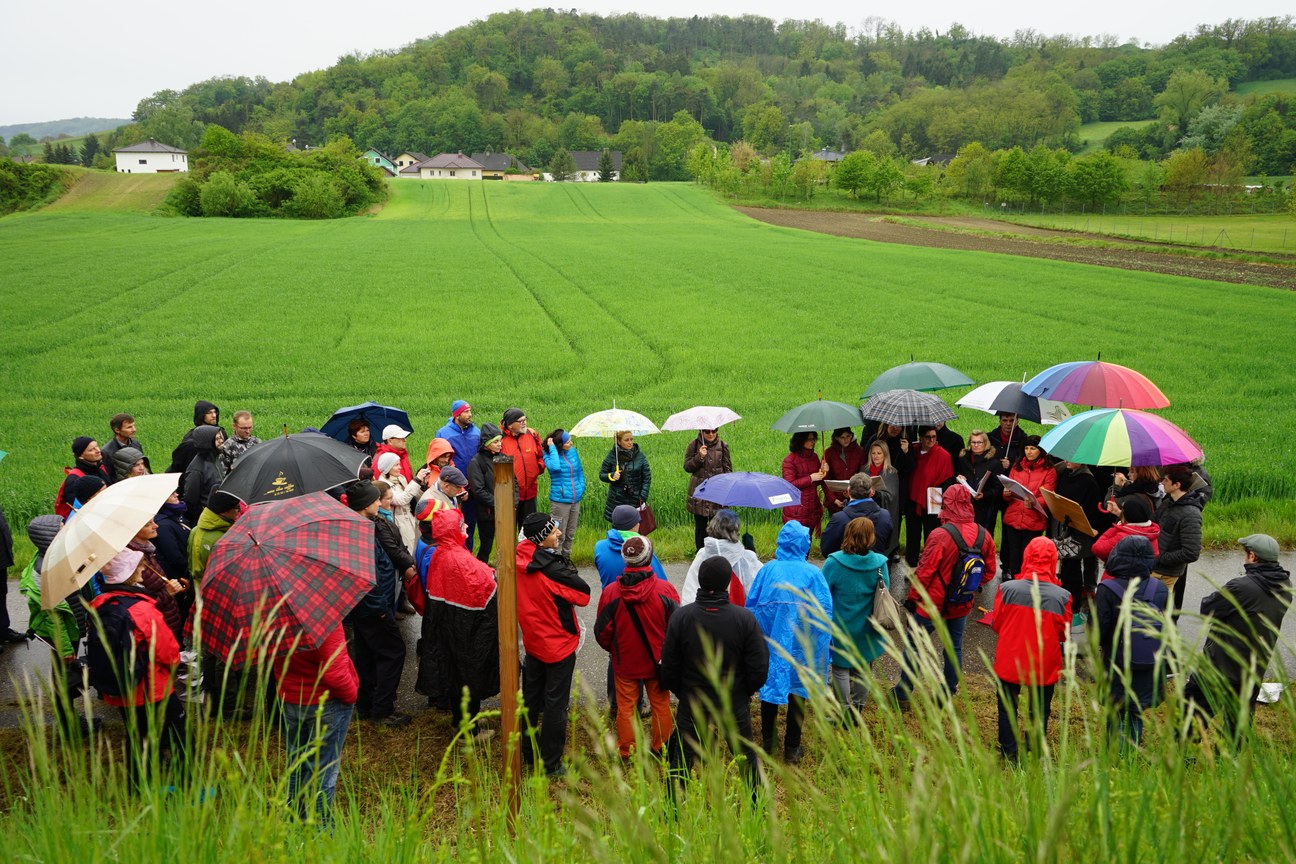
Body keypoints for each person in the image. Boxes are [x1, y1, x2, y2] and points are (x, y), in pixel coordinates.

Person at [661, 556, 769, 789]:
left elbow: (668, 666)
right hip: (733, 698)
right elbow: (759, 667)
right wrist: (744, 692)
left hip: (693, 697)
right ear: (727, 583)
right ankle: (757, 808)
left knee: (681, 756)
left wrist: (684, 692)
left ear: (700, 581)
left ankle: (673, 811)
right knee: (746, 755)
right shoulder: (744, 618)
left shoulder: (681, 617)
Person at [88, 549, 185, 787]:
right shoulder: (141, 609)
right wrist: (175, 667)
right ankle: (188, 783)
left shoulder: (102, 603)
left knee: (138, 737)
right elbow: (167, 651)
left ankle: (140, 785)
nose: (143, 570)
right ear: (131, 573)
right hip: (152, 688)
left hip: (123, 689)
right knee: (179, 737)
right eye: (139, 567)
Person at [1183, 534, 1293, 741]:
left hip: (1221, 662)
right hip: (1254, 664)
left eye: (1245, 554)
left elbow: (1208, 609)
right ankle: (1231, 760)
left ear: (1252, 556)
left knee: (1196, 709)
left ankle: (1184, 750)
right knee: (1239, 718)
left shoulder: (1241, 586)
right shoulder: (1285, 585)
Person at [894, 484, 997, 704]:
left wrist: (912, 599)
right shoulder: (984, 534)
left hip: (931, 604)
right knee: (954, 648)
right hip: (961, 603)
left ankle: (902, 694)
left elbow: (924, 573)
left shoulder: (940, 535)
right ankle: (948, 692)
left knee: (915, 646)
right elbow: (990, 572)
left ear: (947, 503)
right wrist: (968, 588)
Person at [747, 520, 832, 765]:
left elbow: (751, 607)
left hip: (772, 645)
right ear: (805, 544)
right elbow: (824, 613)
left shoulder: (768, 570)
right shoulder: (813, 574)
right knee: (798, 691)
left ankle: (769, 742)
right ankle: (792, 748)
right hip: (803, 647)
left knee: (769, 690)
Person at [516, 512, 591, 777]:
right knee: (555, 705)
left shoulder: (516, 559)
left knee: (530, 700)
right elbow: (583, 595)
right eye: (553, 531)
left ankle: (527, 752)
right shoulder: (552, 570)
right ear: (539, 539)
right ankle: (551, 763)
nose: (558, 533)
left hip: (533, 642)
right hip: (558, 644)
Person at [594, 535, 680, 759]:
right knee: (661, 703)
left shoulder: (611, 592)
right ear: (649, 558)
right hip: (657, 662)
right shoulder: (666, 590)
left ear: (626, 560)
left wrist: (615, 649)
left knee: (626, 707)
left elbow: (601, 632)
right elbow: (676, 628)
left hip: (625, 662)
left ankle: (627, 750)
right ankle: (661, 748)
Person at [990, 536, 1070, 761]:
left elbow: (997, 624)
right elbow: (1064, 633)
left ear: (1027, 556)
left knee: (1007, 707)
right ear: (1053, 560)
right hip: (1044, 662)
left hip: (1010, 658)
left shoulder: (1007, 589)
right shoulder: (1063, 596)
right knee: (1040, 708)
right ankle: (1034, 747)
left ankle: (1009, 751)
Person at [421, 509, 500, 736]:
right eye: (462, 526)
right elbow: (483, 584)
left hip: (448, 623)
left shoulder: (441, 552)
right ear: (453, 530)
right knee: (469, 677)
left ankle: (461, 721)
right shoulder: (458, 558)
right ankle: (470, 732)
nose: (466, 529)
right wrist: (492, 574)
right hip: (465, 628)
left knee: (456, 677)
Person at [342, 480, 410, 727]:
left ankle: (364, 703)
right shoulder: (362, 535)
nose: (379, 502)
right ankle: (383, 710)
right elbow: (368, 577)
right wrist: (381, 609)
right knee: (393, 653)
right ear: (364, 505)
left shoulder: (360, 527)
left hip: (362, 608)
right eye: (374, 499)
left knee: (367, 655)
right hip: (373, 607)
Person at [277, 621, 357, 826]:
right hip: (325, 702)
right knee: (323, 770)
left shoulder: (273, 611)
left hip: (291, 696)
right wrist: (352, 694)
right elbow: (336, 674)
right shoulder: (323, 616)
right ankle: (320, 832)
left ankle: (294, 818)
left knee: (296, 760)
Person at [1094, 534, 1167, 748]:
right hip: (1149, 661)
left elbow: (1100, 631)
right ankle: (1131, 753)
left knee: (1114, 708)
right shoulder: (1159, 589)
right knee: (1136, 709)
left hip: (1117, 661)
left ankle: (1112, 751)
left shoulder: (1108, 589)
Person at [821, 517, 889, 716]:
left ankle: (843, 709)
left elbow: (823, 592)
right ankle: (857, 708)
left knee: (841, 669)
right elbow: (885, 591)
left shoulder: (834, 562)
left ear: (847, 533)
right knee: (863, 667)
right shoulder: (879, 564)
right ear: (871, 537)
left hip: (840, 626)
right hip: (867, 626)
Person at [1052, 460, 1104, 615]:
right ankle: (1067, 597)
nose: (1067, 461)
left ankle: (1074, 602)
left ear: (1081, 461)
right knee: (1067, 565)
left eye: (1072, 459)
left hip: (1082, 531)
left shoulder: (1089, 480)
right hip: (1068, 526)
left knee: (1073, 566)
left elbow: (1090, 510)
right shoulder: (1067, 474)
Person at [1152, 465, 1205, 617]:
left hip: (1166, 573)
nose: (1162, 483)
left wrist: (1161, 558)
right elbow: (1152, 523)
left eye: (1166, 480)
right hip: (1155, 567)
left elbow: (1191, 552)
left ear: (1177, 485)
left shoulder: (1191, 514)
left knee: (1155, 613)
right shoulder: (1168, 503)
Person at [680, 509, 762, 606]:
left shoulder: (703, 553)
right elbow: (758, 588)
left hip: (705, 615)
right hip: (739, 616)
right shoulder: (746, 556)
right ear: (736, 531)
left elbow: (690, 593)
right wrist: (751, 550)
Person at [1000, 435, 1055, 579]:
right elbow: (1009, 489)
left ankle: (1025, 583)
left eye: (1033, 448)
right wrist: (1006, 493)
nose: (1029, 452)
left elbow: (1047, 496)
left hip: (1033, 520)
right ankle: (1013, 580)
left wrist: (1035, 503)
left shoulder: (1049, 471)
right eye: (1026, 448)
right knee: (1014, 554)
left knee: (1028, 555)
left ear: (1040, 450)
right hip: (1013, 517)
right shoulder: (1017, 467)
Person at [126, 517, 185, 642]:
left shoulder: (147, 552)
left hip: (167, 621)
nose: (156, 526)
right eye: (148, 524)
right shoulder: (133, 561)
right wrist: (167, 593)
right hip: (159, 628)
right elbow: (140, 605)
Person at [906, 426, 954, 567]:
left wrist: (937, 493)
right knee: (912, 535)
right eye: (928, 437)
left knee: (931, 536)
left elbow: (948, 479)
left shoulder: (944, 455)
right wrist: (905, 452)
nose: (931, 440)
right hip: (913, 499)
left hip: (934, 498)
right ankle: (911, 566)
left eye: (934, 436)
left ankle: (930, 567)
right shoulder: (912, 451)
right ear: (920, 437)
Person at [437, 400, 482, 551]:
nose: (470, 415)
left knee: (469, 524)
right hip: (454, 487)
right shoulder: (444, 433)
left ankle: (468, 556)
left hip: (473, 487)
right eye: (466, 412)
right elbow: (440, 459)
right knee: (453, 525)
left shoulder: (476, 432)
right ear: (457, 415)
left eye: (470, 411)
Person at [467, 424, 512, 564]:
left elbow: (513, 483)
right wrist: (499, 504)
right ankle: (482, 574)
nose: (500, 444)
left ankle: (505, 574)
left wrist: (512, 503)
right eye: (496, 441)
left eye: (500, 441)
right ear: (486, 444)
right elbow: (478, 490)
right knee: (486, 547)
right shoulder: (476, 462)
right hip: (487, 513)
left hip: (505, 511)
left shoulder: (503, 458)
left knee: (507, 546)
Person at [821, 473, 893, 558]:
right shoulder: (885, 515)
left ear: (848, 491)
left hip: (846, 567)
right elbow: (887, 545)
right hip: (875, 567)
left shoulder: (839, 519)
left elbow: (826, 549)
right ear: (871, 492)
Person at [595, 504, 667, 588]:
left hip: (611, 597)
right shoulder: (644, 551)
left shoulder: (599, 547)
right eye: (638, 521)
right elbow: (662, 580)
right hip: (638, 598)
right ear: (634, 526)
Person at [684, 428, 732, 550]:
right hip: (700, 493)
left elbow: (728, 470)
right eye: (707, 431)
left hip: (718, 492)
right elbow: (687, 467)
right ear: (702, 431)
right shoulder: (694, 445)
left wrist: (727, 491)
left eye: (714, 431)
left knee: (718, 527)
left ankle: (718, 555)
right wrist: (699, 457)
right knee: (701, 527)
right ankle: (700, 554)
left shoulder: (723, 445)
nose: (711, 434)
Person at [544, 429, 586, 560]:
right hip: (560, 501)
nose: (571, 443)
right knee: (558, 535)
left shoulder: (572, 451)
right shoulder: (548, 454)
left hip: (575, 499)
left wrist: (581, 488)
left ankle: (566, 559)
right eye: (567, 442)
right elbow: (555, 467)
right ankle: (556, 562)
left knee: (570, 533)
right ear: (559, 444)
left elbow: (579, 471)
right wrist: (552, 448)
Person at [376, 452, 429, 554]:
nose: (400, 467)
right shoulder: (383, 485)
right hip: (399, 523)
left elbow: (411, 496)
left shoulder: (400, 478)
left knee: (418, 548)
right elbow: (401, 500)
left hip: (410, 519)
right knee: (409, 551)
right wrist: (417, 480)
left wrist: (422, 484)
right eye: (396, 465)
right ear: (388, 468)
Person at [500, 408, 545, 522]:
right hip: (511, 497)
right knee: (509, 532)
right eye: (520, 421)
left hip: (531, 492)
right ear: (510, 425)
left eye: (525, 419)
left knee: (528, 531)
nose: (524, 422)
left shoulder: (532, 434)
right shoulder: (500, 441)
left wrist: (538, 468)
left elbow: (541, 455)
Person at [188, 488, 241, 585]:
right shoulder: (222, 539)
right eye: (237, 507)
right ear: (224, 511)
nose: (239, 511)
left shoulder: (195, 530)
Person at [954, 429, 1002, 534]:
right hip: (966, 505)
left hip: (986, 507)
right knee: (966, 535)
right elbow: (955, 477)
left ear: (985, 443)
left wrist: (985, 495)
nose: (976, 445)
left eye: (979, 442)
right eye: (973, 442)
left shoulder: (993, 463)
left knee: (983, 536)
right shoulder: (963, 460)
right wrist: (958, 478)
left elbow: (998, 488)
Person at [600, 430, 651, 524]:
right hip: (617, 500)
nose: (630, 442)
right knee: (619, 530)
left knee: (635, 529)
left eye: (631, 439)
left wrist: (642, 497)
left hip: (635, 499)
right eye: (626, 440)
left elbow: (647, 478)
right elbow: (602, 475)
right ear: (618, 441)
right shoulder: (612, 456)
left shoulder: (640, 456)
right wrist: (612, 475)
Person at [781, 431, 826, 536]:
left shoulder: (814, 457)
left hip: (812, 507)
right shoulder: (789, 460)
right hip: (796, 509)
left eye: (814, 439)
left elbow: (818, 481)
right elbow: (789, 484)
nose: (813, 442)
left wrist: (823, 472)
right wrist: (810, 478)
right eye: (809, 439)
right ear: (800, 440)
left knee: (807, 541)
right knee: (796, 544)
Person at [55, 436, 112, 517]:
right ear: (81, 456)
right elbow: (78, 508)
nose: (98, 450)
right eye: (91, 450)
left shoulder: (100, 467)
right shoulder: (74, 480)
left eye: (96, 446)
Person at [1092, 495, 1160, 562]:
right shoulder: (1151, 533)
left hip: (1119, 572)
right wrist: (1121, 515)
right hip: (1141, 572)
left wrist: (1117, 527)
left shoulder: (1123, 536)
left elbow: (1097, 548)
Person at [181, 425, 227, 527]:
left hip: (220, 515)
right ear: (207, 442)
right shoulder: (196, 469)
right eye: (217, 438)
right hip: (207, 520)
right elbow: (191, 499)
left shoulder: (216, 459)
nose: (221, 441)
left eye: (221, 437)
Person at [865, 441, 902, 559]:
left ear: (885, 455)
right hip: (866, 514)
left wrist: (877, 494)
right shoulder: (863, 470)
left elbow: (892, 496)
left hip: (882, 514)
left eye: (879, 453)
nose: (875, 456)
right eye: (873, 453)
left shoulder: (891, 472)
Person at [165, 400, 221, 474]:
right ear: (201, 415)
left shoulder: (220, 432)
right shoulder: (191, 439)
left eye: (215, 412)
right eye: (210, 413)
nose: (214, 416)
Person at [823, 427, 865, 514]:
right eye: (842, 437)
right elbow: (825, 479)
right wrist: (833, 499)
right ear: (836, 438)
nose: (846, 439)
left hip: (855, 498)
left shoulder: (859, 451)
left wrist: (855, 495)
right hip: (835, 501)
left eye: (848, 436)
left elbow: (863, 475)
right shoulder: (828, 453)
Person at [101, 413, 143, 482]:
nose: (134, 429)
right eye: (129, 427)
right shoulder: (107, 452)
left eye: (133, 426)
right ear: (117, 430)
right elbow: (110, 477)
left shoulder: (136, 444)